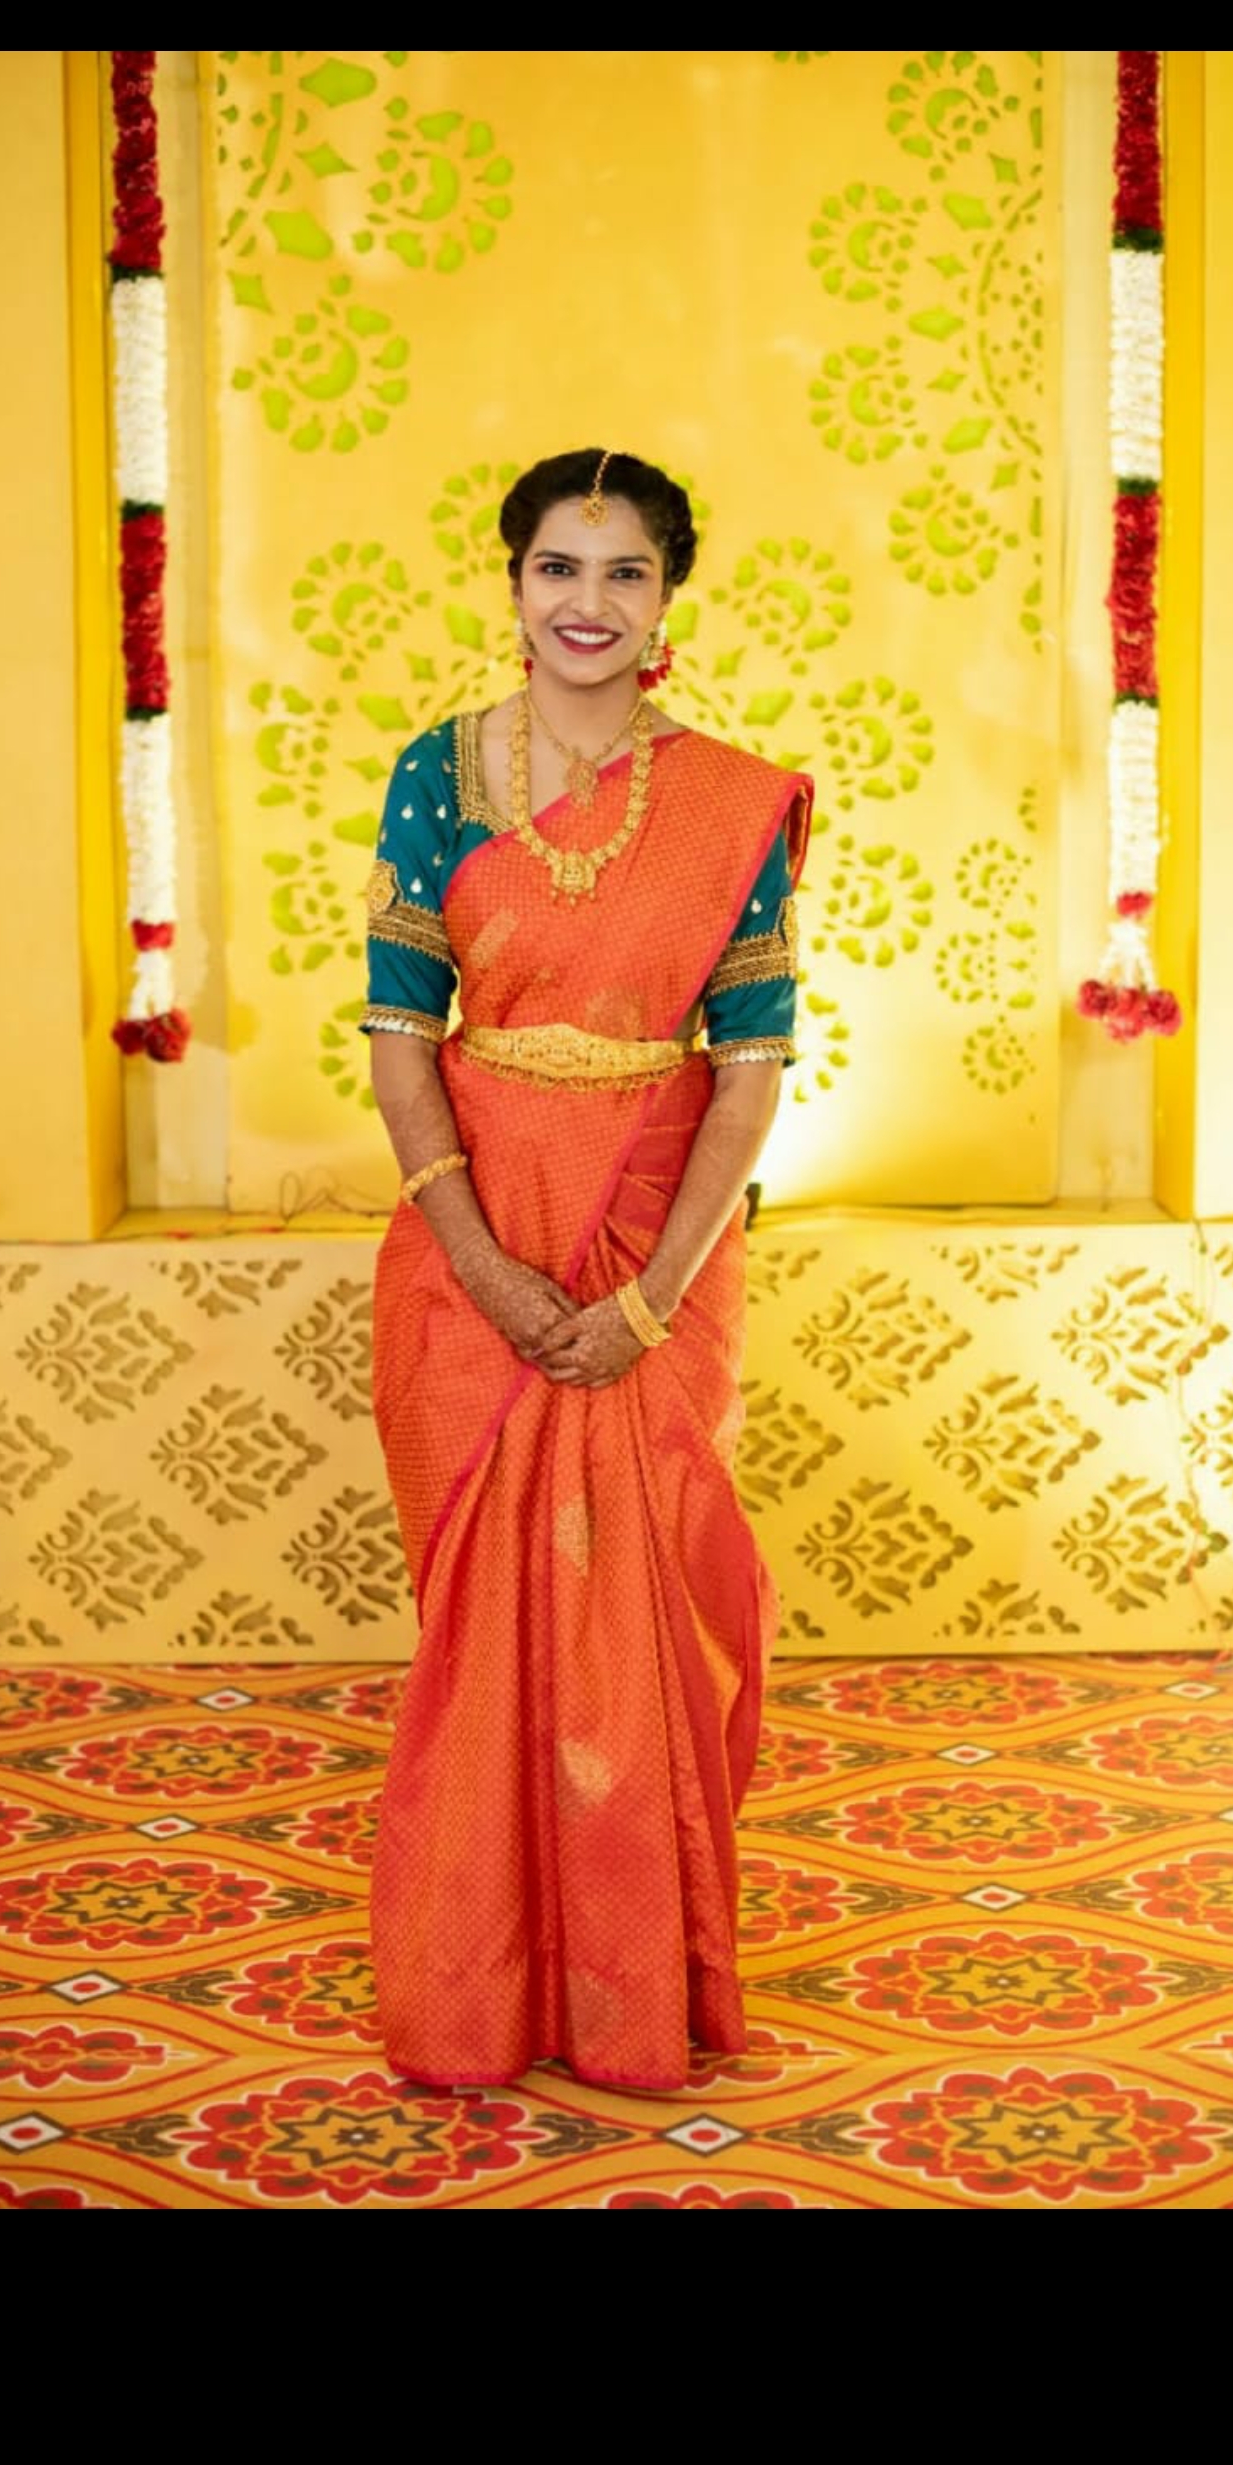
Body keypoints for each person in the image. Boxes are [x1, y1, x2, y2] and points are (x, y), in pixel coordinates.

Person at [361, 447, 813, 2091]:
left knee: (636, 1621)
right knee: (489, 1621)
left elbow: (748, 1072)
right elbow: (400, 1036)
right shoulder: (438, 772)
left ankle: (632, 1988)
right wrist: (483, 1268)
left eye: (626, 573)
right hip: (470, 1227)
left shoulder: (730, 804)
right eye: (561, 567)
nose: (589, 602)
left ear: (667, 598)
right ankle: (478, 1986)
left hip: (649, 1228)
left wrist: (648, 1299)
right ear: (514, 584)